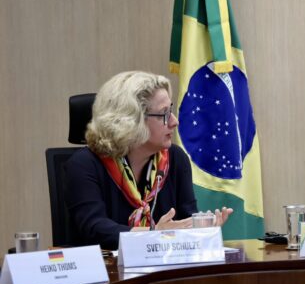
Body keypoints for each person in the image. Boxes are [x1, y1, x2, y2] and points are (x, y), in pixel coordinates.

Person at [65, 71, 233, 250]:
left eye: (171, 110)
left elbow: (186, 218)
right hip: (107, 274)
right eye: (164, 114)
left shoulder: (176, 159)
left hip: (164, 272)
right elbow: (94, 229)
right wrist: (152, 235)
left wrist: (202, 230)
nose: (174, 122)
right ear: (132, 120)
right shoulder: (85, 164)